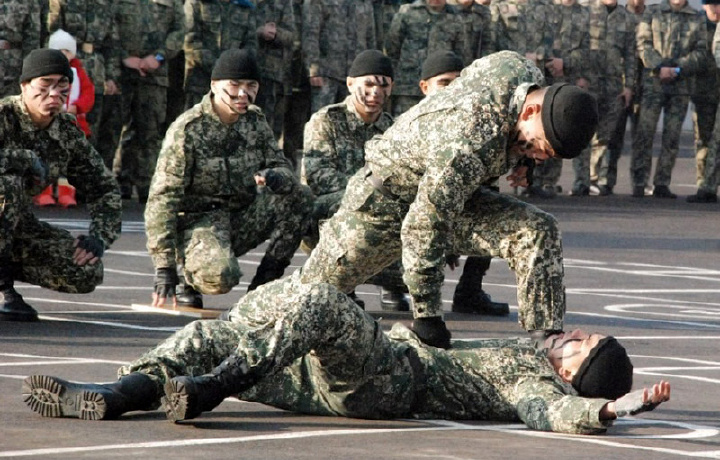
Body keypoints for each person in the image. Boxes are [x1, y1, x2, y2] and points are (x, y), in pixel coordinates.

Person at [22, 274, 670, 434]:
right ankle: (117, 395)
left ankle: (213, 386)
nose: (568, 334)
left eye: (580, 345)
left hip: (389, 385)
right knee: (214, 333)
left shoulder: (537, 381)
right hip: (344, 377)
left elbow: (545, 412)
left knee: (323, 304)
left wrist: (609, 410)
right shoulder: (520, 351)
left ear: (572, 371)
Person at [297, 51, 598, 349]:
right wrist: (427, 318)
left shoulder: (521, 70)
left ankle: (547, 343)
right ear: (531, 112)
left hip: (447, 186)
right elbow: (423, 226)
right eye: (541, 147)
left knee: (537, 229)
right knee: (309, 299)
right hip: (382, 206)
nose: (541, 156)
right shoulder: (469, 141)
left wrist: (525, 158)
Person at [145, 49, 312, 310]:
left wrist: (275, 177)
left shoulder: (255, 121)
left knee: (300, 196)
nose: (243, 93)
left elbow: (282, 167)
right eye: (234, 85)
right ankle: (189, 273)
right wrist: (164, 266)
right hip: (197, 224)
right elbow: (162, 199)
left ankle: (263, 287)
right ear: (214, 85)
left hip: (240, 218)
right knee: (221, 278)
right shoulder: (188, 129)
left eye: (251, 86)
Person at [0, 48, 122, 322]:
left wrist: (99, 237)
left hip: (13, 228)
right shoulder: (3, 116)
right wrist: (22, 158)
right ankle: (2, 285)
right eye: (45, 84)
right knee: (5, 186)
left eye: (62, 85)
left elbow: (103, 187)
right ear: (24, 86)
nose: (54, 93)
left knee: (85, 270)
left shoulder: (66, 131)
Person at [301, 49, 407, 311]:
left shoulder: (395, 129)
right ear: (350, 84)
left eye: (383, 85)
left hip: (377, 212)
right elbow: (318, 175)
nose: (375, 92)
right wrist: (367, 195)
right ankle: (340, 282)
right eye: (368, 84)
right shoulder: (327, 120)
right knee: (348, 207)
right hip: (328, 212)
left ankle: (392, 284)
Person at [418, 50, 509, 317]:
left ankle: (470, 291)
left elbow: (487, 186)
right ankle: (395, 290)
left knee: (495, 211)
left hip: (453, 216)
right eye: (444, 83)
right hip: (410, 225)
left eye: (459, 82)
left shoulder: (475, 130)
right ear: (425, 87)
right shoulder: (409, 127)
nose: (453, 89)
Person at [630, 0, 707, 199]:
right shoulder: (653, 12)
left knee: (672, 137)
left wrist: (677, 68)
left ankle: (662, 182)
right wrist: (659, 67)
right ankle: (639, 181)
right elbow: (643, 43)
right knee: (645, 133)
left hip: (680, 86)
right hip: (654, 84)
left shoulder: (696, 17)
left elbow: (701, 52)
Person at [113, 0, 185, 204]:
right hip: (121, 72)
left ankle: (147, 183)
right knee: (116, 128)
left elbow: (179, 31)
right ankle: (119, 180)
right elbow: (109, 25)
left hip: (155, 74)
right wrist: (124, 57)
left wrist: (159, 57)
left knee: (150, 130)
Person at [33, 28, 97, 209]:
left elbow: (88, 92)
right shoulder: (44, 72)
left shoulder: (78, 73)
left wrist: (76, 107)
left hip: (72, 124)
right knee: (45, 158)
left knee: (69, 161)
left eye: (67, 51)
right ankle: (43, 193)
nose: (64, 55)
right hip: (48, 123)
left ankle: (66, 193)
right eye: (59, 51)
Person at [586, 0, 638, 197]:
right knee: (588, 131)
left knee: (608, 135)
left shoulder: (627, 18)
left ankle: (603, 180)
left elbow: (631, 56)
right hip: (590, 82)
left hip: (614, 85)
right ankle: (585, 180)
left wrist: (629, 86)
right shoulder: (587, 11)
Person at [384, 0, 467, 116]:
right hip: (408, 87)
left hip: (442, 88)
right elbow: (392, 47)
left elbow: (461, 52)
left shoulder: (455, 16)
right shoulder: (408, 12)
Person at [303, 0, 377, 114]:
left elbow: (370, 39)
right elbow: (311, 34)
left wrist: (370, 71)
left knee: (354, 121)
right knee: (323, 119)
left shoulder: (364, 3)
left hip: (356, 76)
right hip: (327, 73)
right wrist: (313, 69)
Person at [183, 0, 259, 110]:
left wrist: (236, 71)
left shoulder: (245, 7)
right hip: (200, 81)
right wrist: (220, 70)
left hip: (235, 85)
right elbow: (190, 40)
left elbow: (251, 44)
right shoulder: (196, 3)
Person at [687, 0, 720, 204]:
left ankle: (708, 186)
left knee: (717, 139)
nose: (716, 9)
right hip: (704, 91)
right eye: (712, 5)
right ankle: (704, 185)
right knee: (704, 140)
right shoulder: (697, 25)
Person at [0, 1, 41, 99]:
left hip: (12, 67)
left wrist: (28, 69)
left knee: (10, 106)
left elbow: (32, 38)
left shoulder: (28, 2)